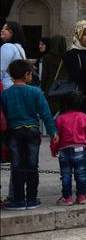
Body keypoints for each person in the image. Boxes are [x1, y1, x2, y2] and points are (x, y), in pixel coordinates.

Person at [1, 60, 58, 210]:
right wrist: (53, 131)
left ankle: (18, 200)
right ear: (27, 75)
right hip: (32, 131)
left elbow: (3, 118)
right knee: (33, 166)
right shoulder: (36, 92)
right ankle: (32, 199)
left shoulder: (6, 94)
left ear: (12, 76)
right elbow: (45, 114)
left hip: (14, 133)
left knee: (17, 166)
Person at [51, 91, 86, 206]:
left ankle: (67, 197)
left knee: (65, 175)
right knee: (81, 174)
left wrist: (54, 150)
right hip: (80, 148)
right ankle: (82, 196)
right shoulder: (84, 117)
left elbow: (56, 137)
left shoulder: (60, 118)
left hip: (64, 149)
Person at [1, 22, 28, 88]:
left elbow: (1, 69)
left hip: (6, 87)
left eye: (6, 29)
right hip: (17, 86)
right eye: (2, 28)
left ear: (14, 32)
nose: (2, 30)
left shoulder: (7, 46)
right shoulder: (19, 47)